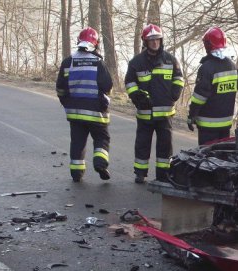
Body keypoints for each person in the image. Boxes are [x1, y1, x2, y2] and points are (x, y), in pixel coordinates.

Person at [125, 24, 184, 183]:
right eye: (151, 40)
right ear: (145, 42)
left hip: (165, 113)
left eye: (157, 39)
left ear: (161, 40)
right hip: (145, 112)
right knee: (142, 143)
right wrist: (136, 95)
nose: (154, 43)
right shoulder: (136, 62)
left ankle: (163, 175)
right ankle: (140, 173)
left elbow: (179, 78)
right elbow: (129, 82)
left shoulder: (170, 60)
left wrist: (175, 92)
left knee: (165, 146)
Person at [56, 27, 113, 183]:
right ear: (96, 43)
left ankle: (76, 173)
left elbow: (60, 87)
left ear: (78, 42)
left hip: (74, 112)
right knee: (102, 138)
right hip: (96, 113)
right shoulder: (98, 63)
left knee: (77, 142)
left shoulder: (68, 62)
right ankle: (100, 162)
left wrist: (66, 102)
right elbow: (107, 85)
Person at [187, 27, 238, 145]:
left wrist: (192, 114)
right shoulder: (232, 66)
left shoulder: (207, 67)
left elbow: (199, 97)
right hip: (226, 123)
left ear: (208, 45)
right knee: (222, 157)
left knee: (207, 159)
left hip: (208, 124)